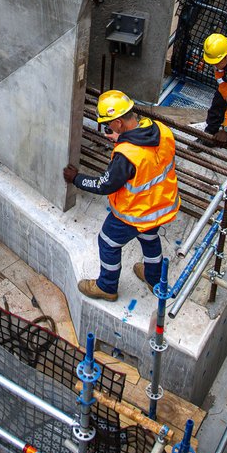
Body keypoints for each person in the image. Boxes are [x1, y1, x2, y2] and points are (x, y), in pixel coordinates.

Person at [63, 90, 180, 302]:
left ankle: (106, 286)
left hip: (135, 213)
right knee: (149, 237)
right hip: (160, 204)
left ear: (118, 123)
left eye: (108, 125)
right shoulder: (161, 131)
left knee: (107, 242)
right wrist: (124, 138)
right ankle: (153, 278)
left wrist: (76, 178)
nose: (107, 130)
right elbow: (151, 162)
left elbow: (104, 184)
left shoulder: (127, 155)